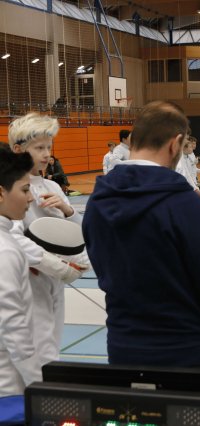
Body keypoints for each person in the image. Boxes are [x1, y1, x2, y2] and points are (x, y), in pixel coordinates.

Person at [82, 101, 200, 368]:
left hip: (123, 349)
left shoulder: (98, 200)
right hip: (185, 353)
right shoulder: (182, 202)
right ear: (175, 143)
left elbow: (101, 264)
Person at [8, 113, 88, 366]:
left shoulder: (52, 187)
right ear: (18, 150)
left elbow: (76, 235)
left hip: (55, 280)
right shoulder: (11, 186)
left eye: (49, 147)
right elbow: (12, 236)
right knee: (37, 352)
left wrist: (68, 210)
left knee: (53, 342)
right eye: (39, 148)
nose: (46, 154)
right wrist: (55, 266)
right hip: (29, 279)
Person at [0, 146, 41, 396]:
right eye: (25, 190)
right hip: (7, 390)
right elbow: (12, 325)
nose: (30, 198)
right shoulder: (5, 250)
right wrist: (40, 386)